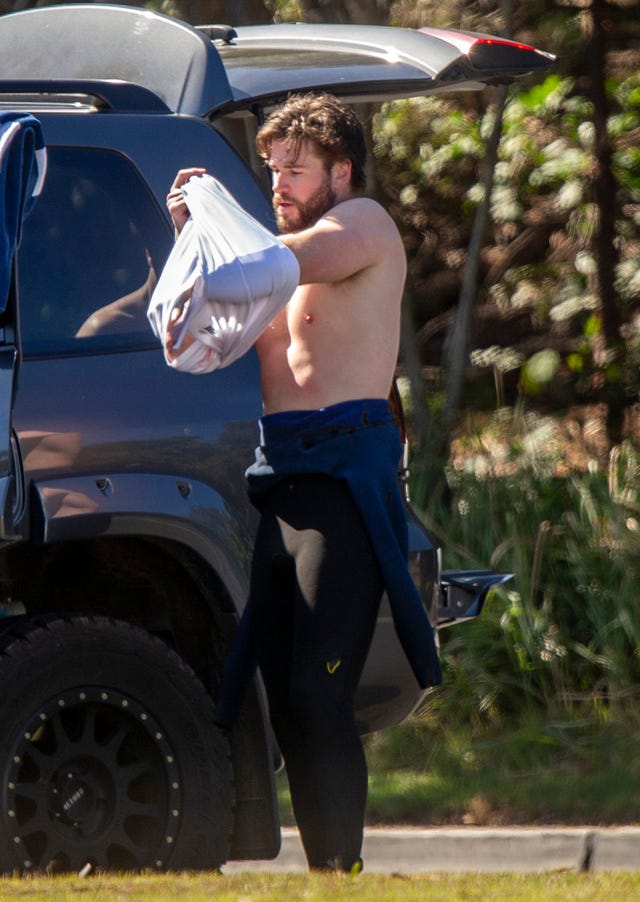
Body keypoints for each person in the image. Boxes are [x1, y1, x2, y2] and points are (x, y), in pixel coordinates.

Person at [164, 92, 440, 873]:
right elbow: (201, 331)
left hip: (344, 481)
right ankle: (328, 875)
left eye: (296, 168)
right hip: (282, 480)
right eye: (272, 167)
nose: (278, 181)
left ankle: (340, 876)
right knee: (284, 698)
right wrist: (189, 235)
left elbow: (263, 268)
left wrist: (216, 231)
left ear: (341, 171)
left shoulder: (360, 228)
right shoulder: (269, 250)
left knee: (322, 692)